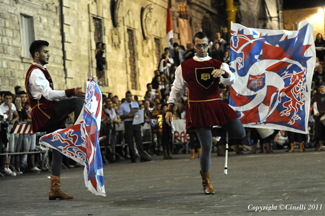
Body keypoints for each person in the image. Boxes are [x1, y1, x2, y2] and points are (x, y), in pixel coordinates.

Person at [165, 32, 245, 195]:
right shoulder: (184, 66)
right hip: (197, 107)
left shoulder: (218, 63)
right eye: (198, 45)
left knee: (239, 132)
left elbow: (232, 80)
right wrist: (169, 108)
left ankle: (215, 133)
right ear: (194, 46)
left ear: (209, 45)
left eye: (204, 45)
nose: (201, 48)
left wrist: (223, 74)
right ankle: (206, 182)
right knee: (206, 146)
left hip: (215, 104)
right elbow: (176, 89)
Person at [25, 40, 84, 200]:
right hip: (44, 113)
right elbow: (48, 95)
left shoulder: (40, 71)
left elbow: (47, 95)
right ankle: (80, 136)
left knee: (57, 148)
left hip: (47, 112)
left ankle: (55, 189)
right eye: (45, 52)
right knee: (77, 101)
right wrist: (71, 92)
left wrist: (65, 108)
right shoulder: (36, 72)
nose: (48, 55)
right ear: (37, 54)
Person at [118, 91, 151, 162]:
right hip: (128, 122)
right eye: (128, 96)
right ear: (125, 97)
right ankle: (133, 156)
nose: (129, 97)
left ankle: (142, 155)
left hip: (136, 122)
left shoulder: (135, 104)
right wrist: (128, 115)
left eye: (130, 96)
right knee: (130, 140)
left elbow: (138, 112)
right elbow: (121, 116)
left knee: (138, 139)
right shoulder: (122, 106)